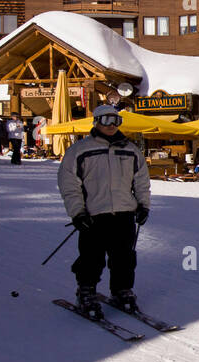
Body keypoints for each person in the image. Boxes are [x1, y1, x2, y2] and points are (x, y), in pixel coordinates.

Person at [57, 105, 151, 319]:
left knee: (124, 257)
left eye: (116, 121)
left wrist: (144, 205)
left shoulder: (130, 149)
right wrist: (77, 213)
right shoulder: (80, 150)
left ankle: (121, 290)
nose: (111, 126)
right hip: (93, 215)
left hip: (124, 212)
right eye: (106, 120)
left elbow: (141, 181)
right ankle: (86, 291)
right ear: (96, 121)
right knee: (91, 258)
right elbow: (69, 184)